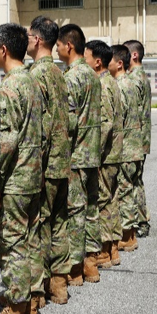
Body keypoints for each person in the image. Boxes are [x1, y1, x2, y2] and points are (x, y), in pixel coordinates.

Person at [0, 23, 44, 314]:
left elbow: (6, 142)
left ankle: (14, 313)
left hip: (15, 180)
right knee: (27, 242)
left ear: (3, 50)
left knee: (10, 246)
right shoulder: (31, 81)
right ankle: (29, 305)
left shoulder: (10, 87)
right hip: (32, 174)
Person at [26, 17, 72, 305]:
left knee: (38, 226)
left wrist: (35, 166)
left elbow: (39, 127)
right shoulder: (58, 73)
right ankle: (60, 283)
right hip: (62, 161)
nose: (27, 39)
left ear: (38, 40)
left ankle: (36, 292)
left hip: (45, 164)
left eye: (29, 35)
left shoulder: (36, 75)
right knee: (59, 222)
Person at [57, 24, 102, 285]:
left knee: (74, 212)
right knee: (91, 208)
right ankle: (91, 262)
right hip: (92, 153)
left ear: (68, 46)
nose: (57, 49)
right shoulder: (93, 76)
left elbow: (70, 122)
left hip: (76, 156)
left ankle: (75, 268)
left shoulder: (71, 78)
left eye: (59, 45)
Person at [84, 40, 125, 270]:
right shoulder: (111, 82)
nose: (84, 60)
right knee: (110, 199)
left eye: (86, 57)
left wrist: (95, 155)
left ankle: (105, 249)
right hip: (114, 152)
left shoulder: (104, 85)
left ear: (97, 62)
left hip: (106, 154)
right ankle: (111, 249)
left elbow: (106, 122)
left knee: (102, 201)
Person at [110, 44, 139, 265]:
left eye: (110, 59)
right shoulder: (131, 82)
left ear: (119, 63)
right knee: (129, 190)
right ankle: (130, 233)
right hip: (135, 146)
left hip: (126, 148)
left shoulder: (119, 85)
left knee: (124, 190)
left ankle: (127, 236)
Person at [123, 39, 152, 242]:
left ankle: (136, 223)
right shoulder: (141, 77)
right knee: (136, 182)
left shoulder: (133, 79)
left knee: (130, 184)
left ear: (134, 55)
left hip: (133, 140)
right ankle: (141, 221)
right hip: (141, 139)